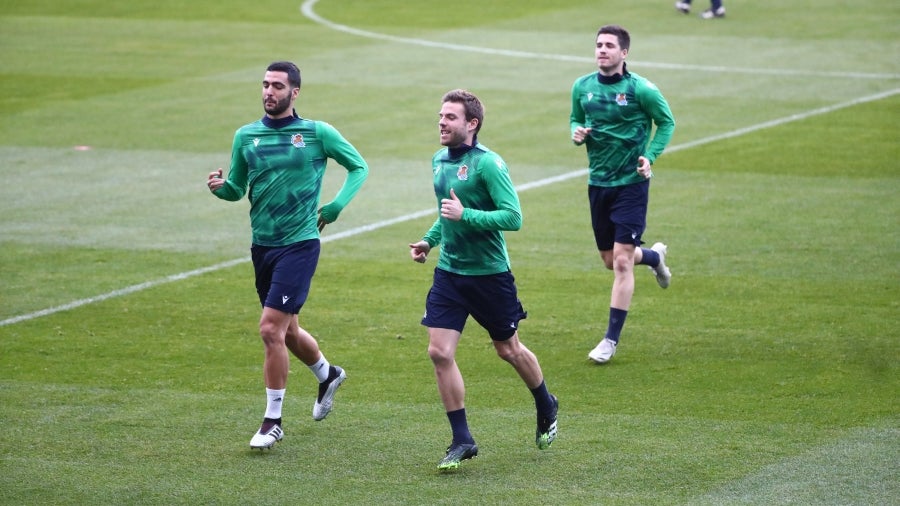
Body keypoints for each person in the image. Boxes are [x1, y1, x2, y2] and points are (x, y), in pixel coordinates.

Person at [207, 61, 368, 449]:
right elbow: (237, 188)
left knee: (269, 329)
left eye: (277, 86)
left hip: (300, 243)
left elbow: (358, 167)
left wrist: (334, 207)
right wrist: (220, 188)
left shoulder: (316, 133)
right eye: (265, 85)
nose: (269, 92)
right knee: (288, 330)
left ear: (294, 92)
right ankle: (328, 375)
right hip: (263, 245)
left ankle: (273, 420)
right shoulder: (245, 136)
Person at [409, 89, 558, 471]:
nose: (441, 122)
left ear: (471, 124)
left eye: (450, 117)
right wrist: (430, 240)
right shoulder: (438, 161)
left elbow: (513, 217)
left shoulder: (489, 164)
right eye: (440, 116)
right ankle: (462, 439)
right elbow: (446, 213)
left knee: (508, 350)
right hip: (450, 275)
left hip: (490, 276)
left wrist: (467, 216)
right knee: (439, 352)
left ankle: (545, 401)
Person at [569, 25, 676, 364]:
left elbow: (667, 122)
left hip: (631, 183)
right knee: (609, 259)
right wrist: (577, 132)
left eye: (609, 46)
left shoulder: (641, 89)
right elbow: (575, 118)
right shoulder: (582, 86)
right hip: (598, 184)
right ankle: (655, 259)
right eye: (598, 45)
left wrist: (650, 156)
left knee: (620, 260)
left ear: (624, 53)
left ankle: (609, 341)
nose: (602, 50)